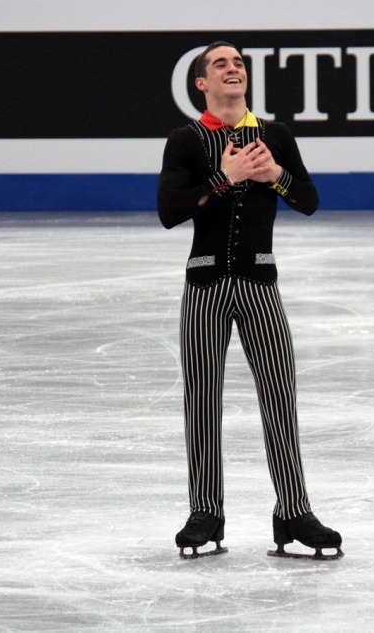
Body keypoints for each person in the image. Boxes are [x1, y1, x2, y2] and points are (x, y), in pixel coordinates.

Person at [157, 41, 343, 561]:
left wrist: (273, 175)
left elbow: (307, 200)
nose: (233, 68)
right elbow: (169, 210)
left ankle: (293, 511)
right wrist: (224, 177)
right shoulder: (186, 141)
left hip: (261, 286)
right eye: (221, 64)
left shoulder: (275, 136)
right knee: (202, 402)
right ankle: (205, 512)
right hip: (205, 287)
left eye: (238, 63)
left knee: (280, 397)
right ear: (202, 83)